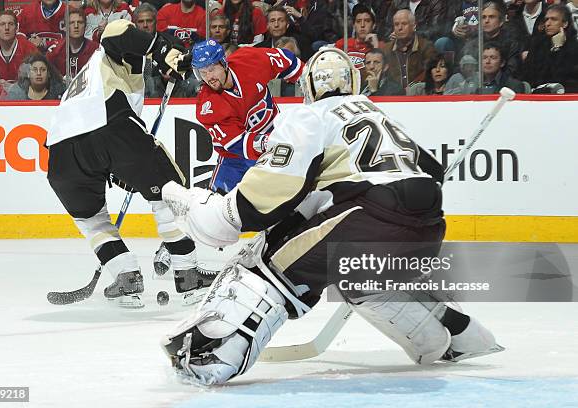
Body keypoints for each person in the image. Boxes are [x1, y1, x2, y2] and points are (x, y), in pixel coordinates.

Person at [159, 48, 503, 385]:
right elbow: (432, 168)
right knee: (364, 284)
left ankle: (216, 354)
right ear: (353, 80)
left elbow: (271, 190)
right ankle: (458, 335)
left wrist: (227, 214)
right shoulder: (374, 111)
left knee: (268, 266)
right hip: (428, 227)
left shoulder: (312, 116)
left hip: (367, 220)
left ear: (308, 86)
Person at [46, 19, 212, 307]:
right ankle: (188, 275)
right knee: (170, 190)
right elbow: (119, 32)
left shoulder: (95, 78)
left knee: (92, 220)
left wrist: (121, 168)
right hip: (109, 126)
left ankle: (126, 277)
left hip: (60, 155)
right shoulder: (109, 51)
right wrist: (163, 50)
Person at [189, 38, 304, 194]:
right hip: (234, 159)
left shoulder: (250, 60)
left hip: (275, 140)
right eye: (202, 72)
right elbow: (239, 144)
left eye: (212, 69)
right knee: (216, 206)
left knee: (290, 197)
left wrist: (307, 84)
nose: (209, 77)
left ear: (224, 63)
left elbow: (287, 60)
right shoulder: (208, 107)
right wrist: (272, 142)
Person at [521, 4, 578, 93]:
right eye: (546, 19)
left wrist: (557, 49)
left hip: (565, 96)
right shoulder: (537, 45)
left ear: (565, 23)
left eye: (553, 19)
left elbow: (561, 77)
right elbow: (528, 74)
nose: (548, 23)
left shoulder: (574, 47)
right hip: (537, 94)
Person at [0, 10, 39, 87]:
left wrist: (16, 86)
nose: (7, 28)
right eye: (2, 24)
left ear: (17, 29)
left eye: (11, 24)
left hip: (24, 94)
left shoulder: (29, 49)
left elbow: (38, 76)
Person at [383, 9, 436, 90]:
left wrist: (411, 88)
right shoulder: (386, 49)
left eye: (404, 24)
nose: (400, 28)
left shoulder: (426, 46)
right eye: (396, 24)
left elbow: (430, 72)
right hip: (393, 97)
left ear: (414, 26)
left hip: (419, 95)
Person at [47, 8, 98, 79]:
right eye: (71, 23)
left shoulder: (96, 50)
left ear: (85, 26)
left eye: (80, 22)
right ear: (65, 27)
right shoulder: (55, 51)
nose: (76, 26)